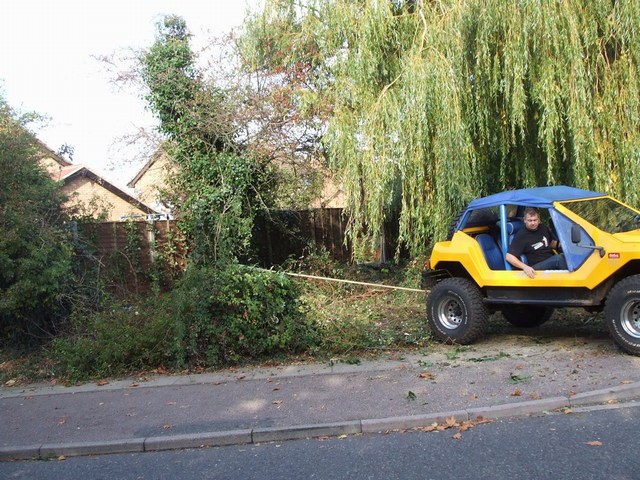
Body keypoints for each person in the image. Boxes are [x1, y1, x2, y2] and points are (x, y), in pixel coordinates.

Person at [506, 207, 567, 278]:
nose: (533, 223)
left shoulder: (543, 228)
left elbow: (550, 243)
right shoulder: (521, 235)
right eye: (530, 220)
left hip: (550, 260)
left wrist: (564, 247)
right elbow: (509, 256)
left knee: (567, 257)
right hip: (535, 267)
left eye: (535, 220)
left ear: (539, 219)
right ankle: (573, 282)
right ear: (524, 220)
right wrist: (525, 267)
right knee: (559, 259)